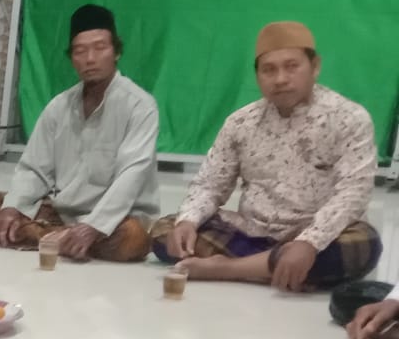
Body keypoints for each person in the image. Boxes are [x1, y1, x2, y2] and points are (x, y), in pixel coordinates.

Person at [152, 21, 381, 292]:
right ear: (257, 75)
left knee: (363, 244)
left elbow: (353, 194)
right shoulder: (241, 122)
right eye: (269, 70)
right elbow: (210, 184)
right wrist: (188, 221)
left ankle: (228, 269)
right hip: (253, 233)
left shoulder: (349, 119)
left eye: (291, 66)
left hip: (317, 235)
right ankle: (274, 268)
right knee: (166, 231)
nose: (280, 79)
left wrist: (309, 242)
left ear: (315, 67)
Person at [0, 4, 159, 262]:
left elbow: (132, 175)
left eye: (100, 48)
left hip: (116, 219)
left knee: (134, 238)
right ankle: (63, 239)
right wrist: (13, 208)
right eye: (80, 51)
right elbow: (34, 169)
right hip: (63, 214)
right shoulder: (59, 107)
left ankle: (47, 237)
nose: (90, 59)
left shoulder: (140, 106)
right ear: (72, 58)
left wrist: (94, 226)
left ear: (116, 52)